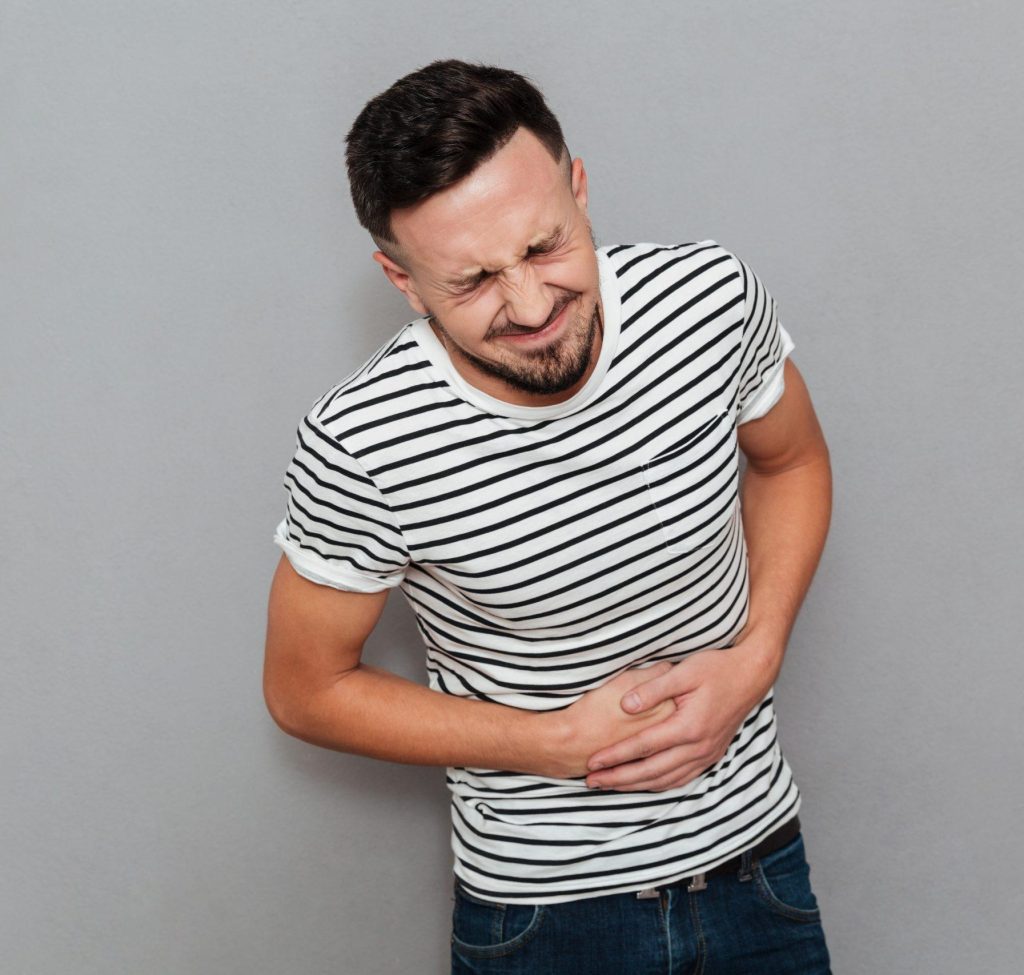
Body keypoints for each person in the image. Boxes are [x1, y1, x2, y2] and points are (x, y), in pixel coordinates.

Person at [263, 59, 834, 975]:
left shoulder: (712, 300)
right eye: (473, 281)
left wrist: (758, 653)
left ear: (577, 185)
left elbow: (792, 461)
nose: (529, 307)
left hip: (759, 865)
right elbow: (305, 687)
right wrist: (558, 743)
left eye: (543, 248)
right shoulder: (360, 441)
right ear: (401, 279)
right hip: (546, 917)